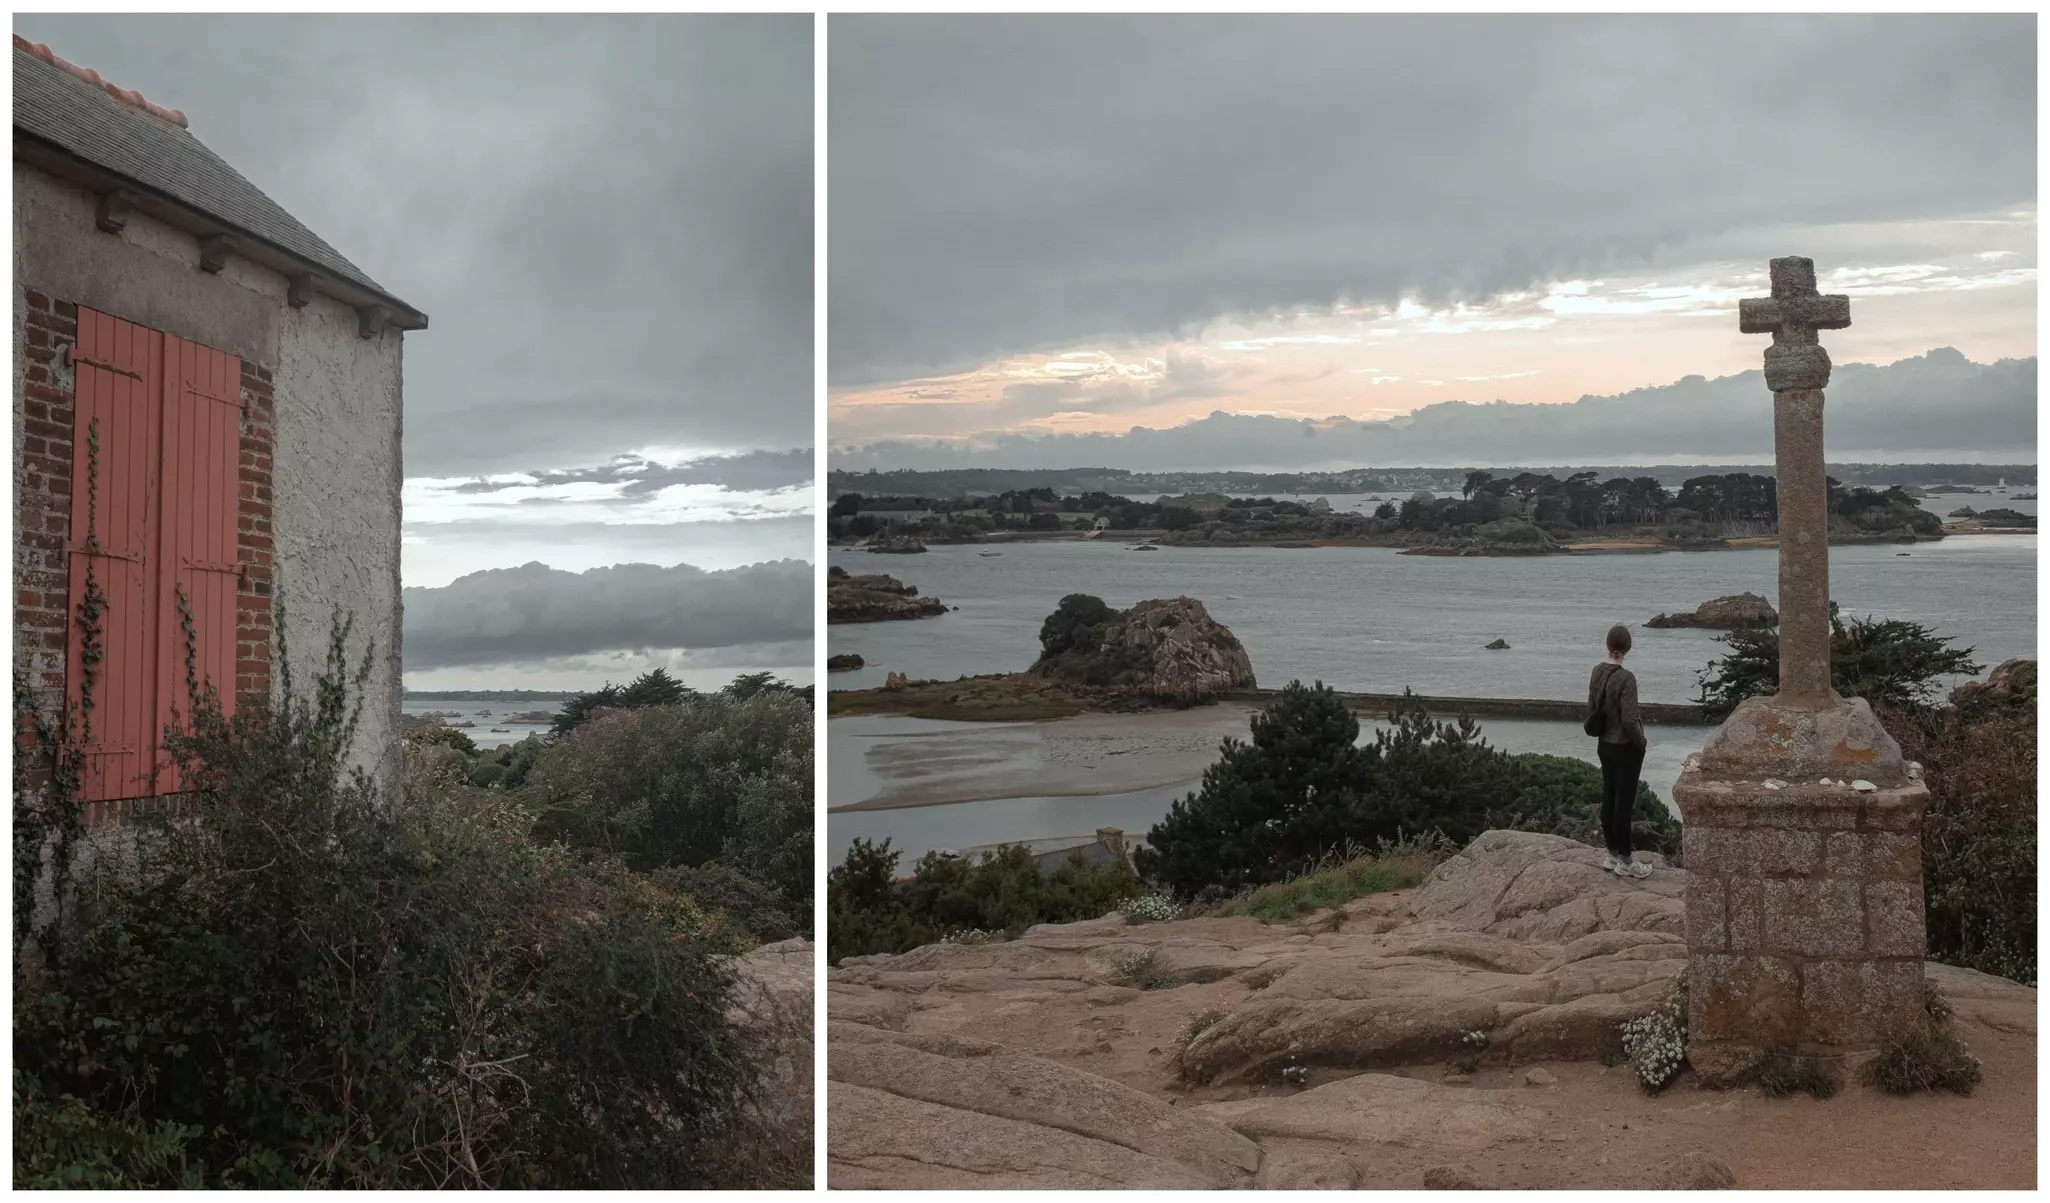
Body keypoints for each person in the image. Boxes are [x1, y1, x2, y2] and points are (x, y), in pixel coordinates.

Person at [1589, 623, 1650, 878]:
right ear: (1628, 648)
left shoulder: (1597, 671)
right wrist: (1641, 742)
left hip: (1604, 744)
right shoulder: (1627, 678)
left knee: (1609, 796)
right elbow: (1629, 719)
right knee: (1624, 803)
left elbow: (1592, 707)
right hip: (1626, 748)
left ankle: (1611, 853)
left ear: (1607, 645)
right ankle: (1626, 861)